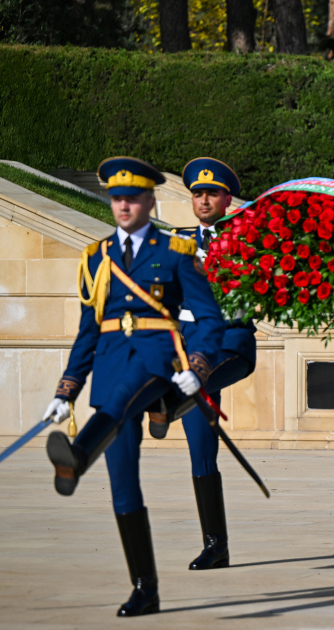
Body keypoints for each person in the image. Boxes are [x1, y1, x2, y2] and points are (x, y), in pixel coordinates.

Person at [41, 157, 225, 616]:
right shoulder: (95, 256)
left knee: (123, 398)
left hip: (155, 358)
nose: (123, 206)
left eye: (133, 198)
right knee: (123, 480)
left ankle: (77, 456)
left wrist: (199, 364)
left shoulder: (175, 252)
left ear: (150, 201)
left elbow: (209, 317)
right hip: (108, 363)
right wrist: (66, 391)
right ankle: (145, 588)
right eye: (117, 198)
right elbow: (88, 331)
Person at [146, 158, 258, 570]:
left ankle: (165, 405)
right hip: (189, 345)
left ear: (228, 200)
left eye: (212, 193)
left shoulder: (250, 240)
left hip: (229, 344)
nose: (204, 200)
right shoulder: (175, 242)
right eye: (198, 194)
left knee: (194, 381)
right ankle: (216, 546)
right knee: (201, 452)